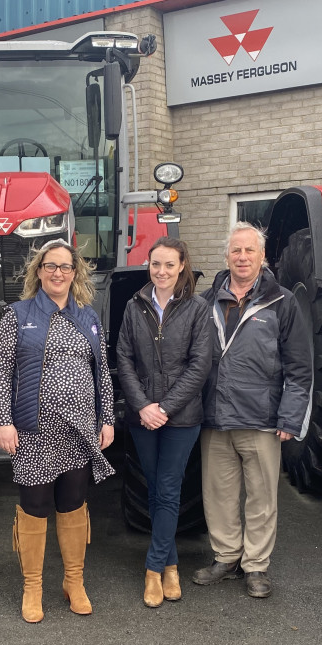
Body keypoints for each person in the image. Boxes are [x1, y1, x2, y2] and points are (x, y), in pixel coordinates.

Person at [0, 238, 116, 623]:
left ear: (74, 273)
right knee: (34, 507)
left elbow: (102, 374)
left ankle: (73, 582)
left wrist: (107, 419)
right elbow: (2, 372)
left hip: (79, 431)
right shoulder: (17, 315)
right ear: (39, 272)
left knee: (73, 505)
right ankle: (32, 586)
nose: (58, 273)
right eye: (51, 266)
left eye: (65, 267)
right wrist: (4, 420)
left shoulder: (89, 317)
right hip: (33, 431)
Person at [192, 222, 312, 599]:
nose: (242, 257)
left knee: (262, 497)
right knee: (218, 494)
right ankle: (226, 557)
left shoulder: (282, 302)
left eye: (249, 251)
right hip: (214, 417)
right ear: (226, 256)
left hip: (262, 419)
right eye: (235, 251)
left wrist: (290, 418)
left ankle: (256, 566)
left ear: (263, 257)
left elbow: (299, 367)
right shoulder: (206, 300)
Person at [115, 237, 213, 607]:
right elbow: (123, 358)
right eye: (156, 264)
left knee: (169, 489)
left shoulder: (197, 308)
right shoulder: (133, 307)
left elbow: (200, 365)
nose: (162, 271)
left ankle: (154, 570)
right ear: (149, 266)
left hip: (181, 418)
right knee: (156, 490)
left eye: (170, 265)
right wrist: (142, 405)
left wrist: (166, 408)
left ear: (182, 266)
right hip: (143, 417)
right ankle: (171, 562)